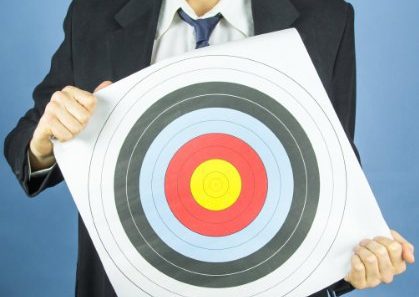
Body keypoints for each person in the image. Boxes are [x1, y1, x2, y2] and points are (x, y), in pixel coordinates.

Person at [4, 0, 415, 296]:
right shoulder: (92, 14)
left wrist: (355, 263)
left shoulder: (327, 18)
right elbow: (29, 142)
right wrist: (46, 140)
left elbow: (331, 173)